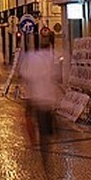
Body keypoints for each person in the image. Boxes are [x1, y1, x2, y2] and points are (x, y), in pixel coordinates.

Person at [19, 39, 62, 170]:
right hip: (49, 98)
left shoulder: (31, 57)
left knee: (40, 127)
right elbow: (57, 76)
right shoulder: (53, 57)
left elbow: (24, 74)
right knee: (45, 130)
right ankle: (48, 144)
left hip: (36, 97)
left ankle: (44, 157)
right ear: (49, 47)